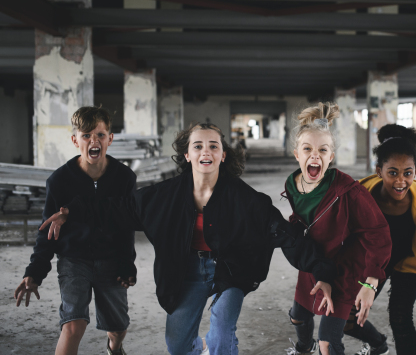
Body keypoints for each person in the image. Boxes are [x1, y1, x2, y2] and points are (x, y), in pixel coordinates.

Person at [41, 122, 335, 355]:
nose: (205, 151)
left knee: (221, 332)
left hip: (229, 270)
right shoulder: (164, 195)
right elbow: (119, 209)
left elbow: (285, 234)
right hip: (186, 272)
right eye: (198, 145)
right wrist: (71, 212)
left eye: (213, 146)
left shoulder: (246, 199)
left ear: (222, 154)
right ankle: (199, 347)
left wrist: (320, 271)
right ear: (188, 155)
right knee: (178, 346)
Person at [14, 106, 137, 355]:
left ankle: (114, 346)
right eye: (86, 135)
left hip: (111, 260)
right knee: (73, 325)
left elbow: (127, 225)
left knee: (117, 326)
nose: (94, 141)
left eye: (100, 135)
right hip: (73, 260)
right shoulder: (59, 181)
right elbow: (46, 231)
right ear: (74, 140)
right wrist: (34, 272)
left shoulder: (124, 177)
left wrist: (127, 265)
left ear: (110, 139)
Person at [283, 103, 392, 355]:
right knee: (298, 317)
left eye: (323, 150)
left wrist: (371, 282)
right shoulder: (292, 185)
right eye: (307, 149)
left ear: (331, 157)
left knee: (328, 343)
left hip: (346, 268)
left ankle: (380, 346)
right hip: (315, 261)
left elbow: (378, 232)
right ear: (296, 155)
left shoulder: (349, 191)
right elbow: (302, 220)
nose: (315, 155)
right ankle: (302, 348)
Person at [345, 124, 416, 355]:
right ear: (379, 170)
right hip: (373, 264)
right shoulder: (361, 195)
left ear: (415, 172)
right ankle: (378, 343)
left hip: (410, 263)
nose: (400, 181)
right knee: (346, 319)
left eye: (407, 173)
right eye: (393, 173)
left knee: (401, 320)